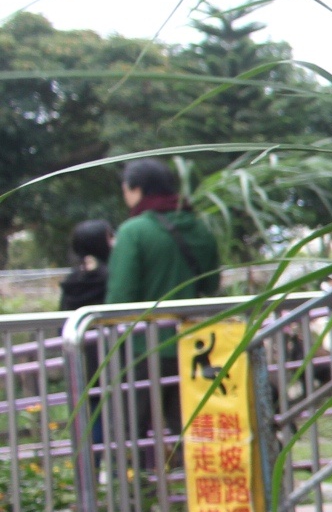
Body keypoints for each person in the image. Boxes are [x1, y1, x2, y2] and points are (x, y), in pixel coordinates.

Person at [108, 159, 221, 437]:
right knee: (190, 427)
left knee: (131, 428)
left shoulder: (133, 231)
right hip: (195, 346)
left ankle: (134, 480)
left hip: (144, 347)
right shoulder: (199, 227)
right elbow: (212, 283)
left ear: (136, 190)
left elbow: (120, 297)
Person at [59, 219, 114, 312]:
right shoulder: (111, 277)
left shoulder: (72, 280)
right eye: (110, 237)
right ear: (99, 243)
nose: (114, 241)